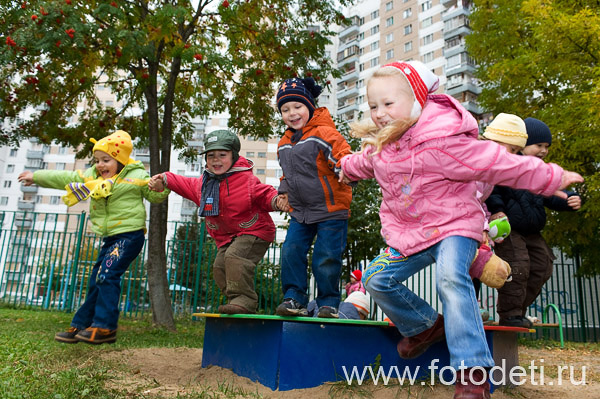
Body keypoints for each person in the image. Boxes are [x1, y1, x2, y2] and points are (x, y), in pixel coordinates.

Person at [338, 60, 583, 398]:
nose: (379, 113)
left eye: (389, 103)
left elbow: (498, 163)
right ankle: (425, 326)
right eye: (373, 105)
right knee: (376, 279)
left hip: (456, 225)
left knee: (451, 278)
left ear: (418, 101)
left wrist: (550, 178)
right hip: (412, 233)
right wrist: (344, 168)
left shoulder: (444, 142)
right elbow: (362, 162)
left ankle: (472, 373)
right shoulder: (384, 147)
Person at [18, 130, 170, 345]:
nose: (100, 165)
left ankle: (105, 327)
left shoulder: (135, 176)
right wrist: (36, 176)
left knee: (107, 274)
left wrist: (160, 187)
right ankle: (82, 324)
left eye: (106, 160)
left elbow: (154, 195)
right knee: (97, 279)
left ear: (120, 159)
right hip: (110, 238)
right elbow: (64, 177)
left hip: (129, 236)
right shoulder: (92, 177)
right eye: (97, 160)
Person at [148, 130, 281, 315]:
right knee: (219, 266)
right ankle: (235, 300)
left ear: (233, 156)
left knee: (234, 257)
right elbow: (182, 182)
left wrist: (277, 200)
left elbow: (264, 194)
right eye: (211, 156)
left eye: (222, 155)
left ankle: (245, 299)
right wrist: (163, 179)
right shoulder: (203, 185)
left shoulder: (246, 180)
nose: (216, 160)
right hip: (228, 238)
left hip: (255, 231)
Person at [485, 117, 582, 328]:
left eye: (547, 147)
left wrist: (568, 199)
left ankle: (518, 311)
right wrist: (497, 210)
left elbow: (551, 193)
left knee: (543, 264)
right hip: (509, 228)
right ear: (522, 144)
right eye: (539, 145)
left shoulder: (539, 170)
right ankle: (510, 314)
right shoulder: (508, 164)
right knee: (518, 265)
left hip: (532, 230)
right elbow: (492, 189)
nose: (544, 150)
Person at [274, 77, 353, 319]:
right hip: (301, 212)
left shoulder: (324, 133)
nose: (292, 113)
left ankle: (328, 302)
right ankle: (294, 298)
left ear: (310, 106)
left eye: (297, 107)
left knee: (326, 256)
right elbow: (288, 174)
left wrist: (346, 169)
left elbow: (342, 155)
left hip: (331, 209)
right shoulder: (284, 143)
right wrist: (283, 192)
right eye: (285, 109)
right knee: (291, 251)